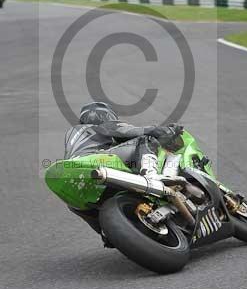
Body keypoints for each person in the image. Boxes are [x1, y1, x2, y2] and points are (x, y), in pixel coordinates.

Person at [64, 101, 183, 239]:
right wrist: (160, 130)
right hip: (94, 162)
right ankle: (151, 175)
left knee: (74, 205)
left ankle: (105, 231)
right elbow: (131, 132)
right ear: (106, 115)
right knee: (145, 139)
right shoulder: (102, 125)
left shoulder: (74, 134)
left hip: (72, 170)